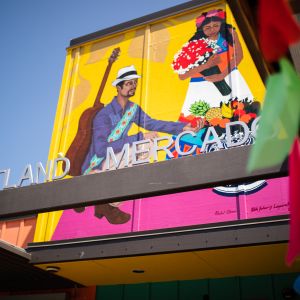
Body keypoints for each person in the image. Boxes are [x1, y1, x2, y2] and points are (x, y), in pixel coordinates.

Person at [76, 65, 204, 225]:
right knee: (143, 141)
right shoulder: (103, 115)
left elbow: (152, 123)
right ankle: (105, 202)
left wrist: (182, 128)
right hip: (97, 165)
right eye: (129, 83)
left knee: (149, 142)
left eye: (134, 83)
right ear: (118, 87)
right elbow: (102, 149)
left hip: (116, 159)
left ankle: (110, 201)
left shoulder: (132, 109)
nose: (133, 87)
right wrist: (139, 136)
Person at [177, 9, 253, 115]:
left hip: (231, 75)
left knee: (244, 112)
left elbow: (239, 55)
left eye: (216, 25)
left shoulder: (230, 33)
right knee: (206, 118)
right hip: (202, 84)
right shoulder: (193, 45)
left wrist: (222, 75)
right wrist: (207, 65)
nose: (212, 29)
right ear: (200, 29)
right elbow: (182, 75)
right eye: (207, 28)